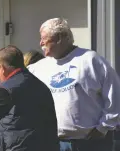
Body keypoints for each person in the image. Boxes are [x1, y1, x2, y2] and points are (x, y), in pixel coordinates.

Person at [27, 18, 120, 151]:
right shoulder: (39, 68)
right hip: (56, 142)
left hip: (91, 143)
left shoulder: (90, 60)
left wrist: (103, 127)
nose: (40, 43)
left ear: (59, 38)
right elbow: (14, 83)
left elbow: (114, 95)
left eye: (44, 39)